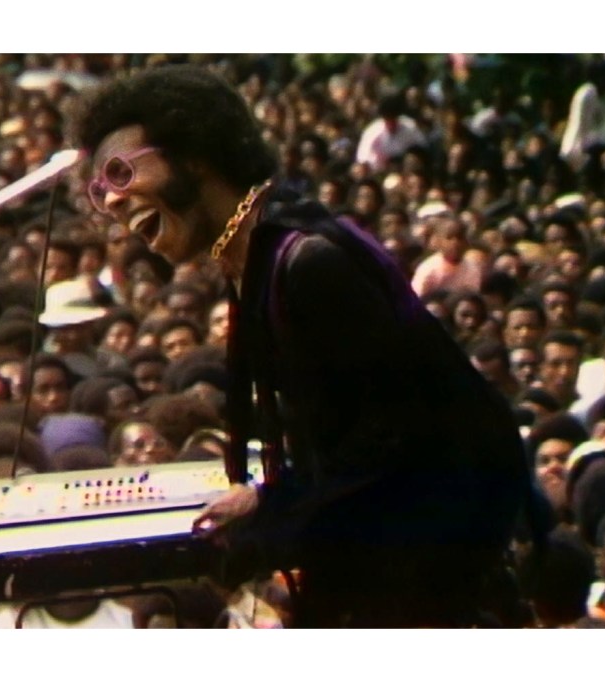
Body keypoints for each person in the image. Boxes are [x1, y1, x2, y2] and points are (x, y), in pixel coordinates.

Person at [77, 65, 530, 627]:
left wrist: (272, 517)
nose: (112, 201)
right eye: (100, 191)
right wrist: (268, 498)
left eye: (120, 172)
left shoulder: (309, 262)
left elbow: (393, 443)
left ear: (193, 155)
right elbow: (341, 438)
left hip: (421, 568)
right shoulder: (254, 253)